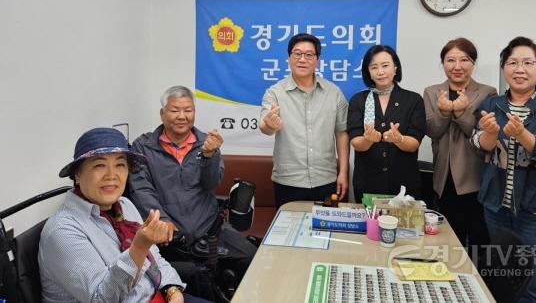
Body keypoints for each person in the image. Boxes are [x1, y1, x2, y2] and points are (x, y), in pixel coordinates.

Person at [39, 127, 211, 303]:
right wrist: (139, 247)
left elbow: (155, 258)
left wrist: (172, 290)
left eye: (120, 165)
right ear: (77, 173)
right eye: (100, 165)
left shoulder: (124, 205)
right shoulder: (62, 231)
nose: (112, 175)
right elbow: (103, 299)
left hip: (157, 296)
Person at [471, 36, 536, 303]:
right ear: (504, 68)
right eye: (513, 62)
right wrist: (490, 134)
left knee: (532, 286)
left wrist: (523, 134)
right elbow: (478, 144)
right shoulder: (492, 104)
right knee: (500, 279)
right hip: (496, 207)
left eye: (528, 62)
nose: (520, 69)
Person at [127, 86, 256, 288]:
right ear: (162, 113)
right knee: (195, 280)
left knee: (251, 258)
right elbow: (141, 189)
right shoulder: (143, 147)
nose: (182, 116)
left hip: (210, 228)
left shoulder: (207, 142)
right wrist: (162, 220)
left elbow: (211, 183)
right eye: (175, 110)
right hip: (170, 236)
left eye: (188, 110)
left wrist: (208, 156)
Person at [259, 33, 350, 208]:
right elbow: (265, 125)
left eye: (309, 55)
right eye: (297, 54)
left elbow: (342, 133)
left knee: (324, 233)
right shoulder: (275, 92)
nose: (302, 59)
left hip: (326, 179)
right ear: (289, 58)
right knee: (287, 233)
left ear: (317, 60)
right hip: (288, 181)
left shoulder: (334, 92)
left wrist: (343, 172)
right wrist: (269, 125)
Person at [423, 37, 497, 251]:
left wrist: (460, 112)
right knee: (447, 241)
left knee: (478, 241)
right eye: (450, 60)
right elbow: (433, 131)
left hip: (474, 177)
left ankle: (479, 282)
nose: (457, 66)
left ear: (473, 63)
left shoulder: (487, 92)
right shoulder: (431, 91)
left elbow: (482, 135)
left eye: (464, 60)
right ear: (443, 63)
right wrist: (445, 112)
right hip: (444, 177)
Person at [347, 45, 426, 203]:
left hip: (403, 185)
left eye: (385, 65)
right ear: (368, 71)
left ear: (395, 68)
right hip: (368, 183)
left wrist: (400, 139)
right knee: (370, 228)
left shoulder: (413, 100)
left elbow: (414, 143)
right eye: (374, 67)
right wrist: (368, 139)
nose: (380, 72)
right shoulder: (359, 100)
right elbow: (356, 142)